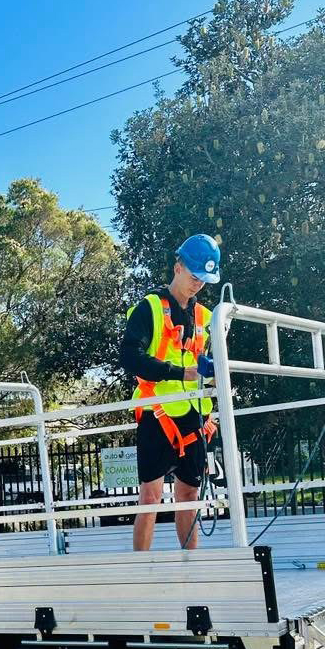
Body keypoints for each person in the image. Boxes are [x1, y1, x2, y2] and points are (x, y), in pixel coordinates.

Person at [120, 234, 221, 551]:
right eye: (194, 277)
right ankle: (141, 574)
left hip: (195, 418)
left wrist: (215, 375)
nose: (198, 285)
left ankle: (192, 570)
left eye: (204, 281)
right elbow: (130, 357)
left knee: (189, 495)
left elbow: (207, 362)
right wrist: (178, 372)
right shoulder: (149, 308)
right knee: (150, 497)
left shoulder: (205, 317)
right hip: (157, 415)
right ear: (178, 268)